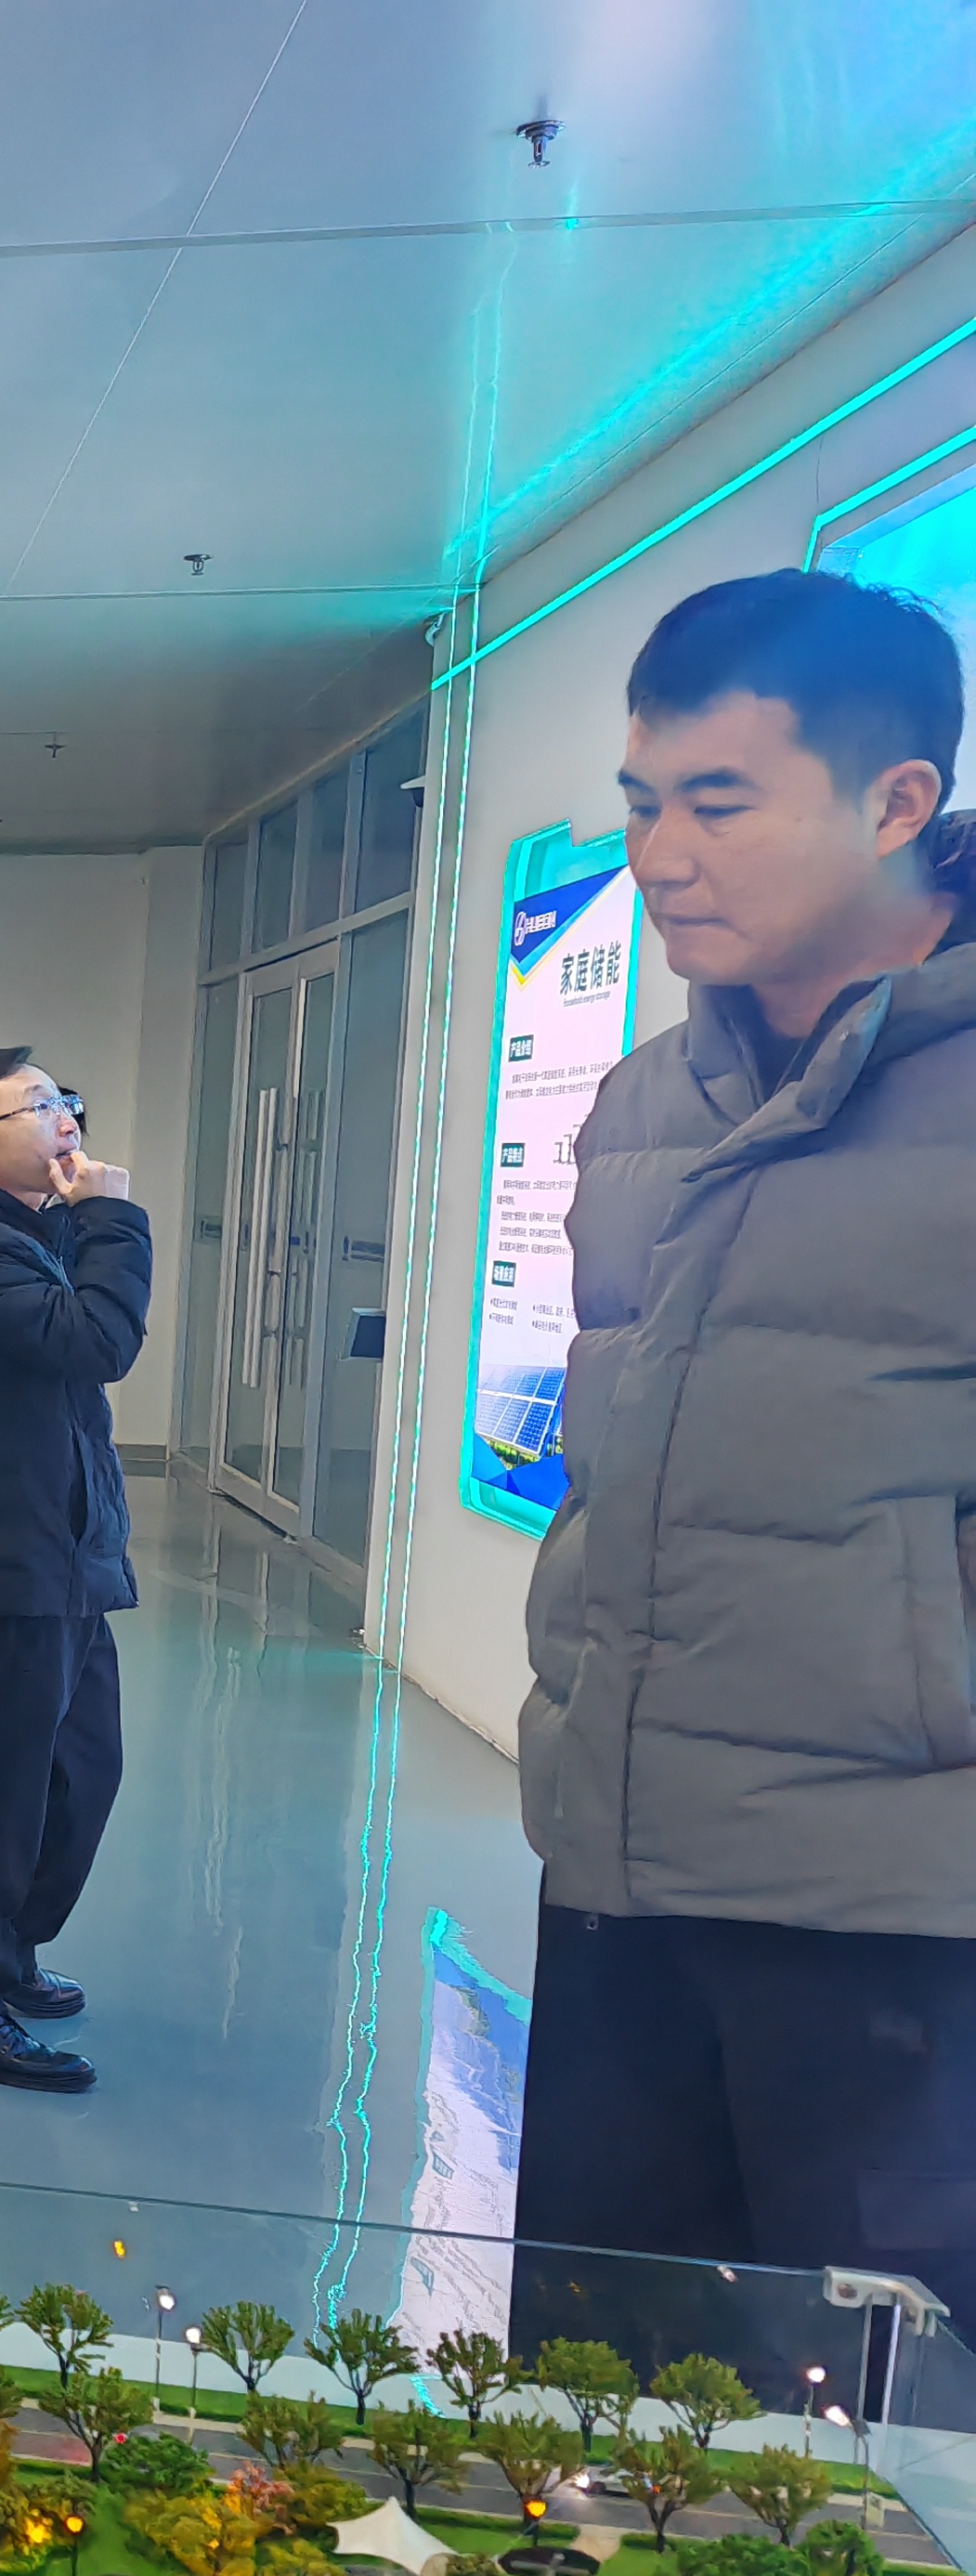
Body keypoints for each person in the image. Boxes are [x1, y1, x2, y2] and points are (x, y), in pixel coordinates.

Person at [514, 567, 976, 2335]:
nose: (663, 856)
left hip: (895, 1920)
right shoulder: (647, 1099)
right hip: (620, 1873)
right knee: (588, 2401)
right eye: (642, 804)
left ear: (897, 801)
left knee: (868, 2436)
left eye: (720, 803)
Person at [0, 1044, 150, 2094]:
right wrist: (113, 1217)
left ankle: (5, 1954)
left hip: (65, 1548)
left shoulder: (24, 1225)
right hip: (10, 1555)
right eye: (40, 1106)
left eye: (63, 1099)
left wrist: (78, 1217)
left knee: (81, 1771)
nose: (66, 1119)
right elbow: (98, 1343)